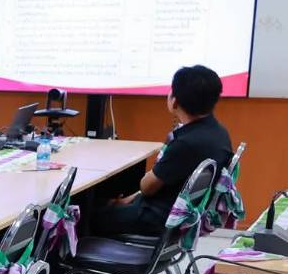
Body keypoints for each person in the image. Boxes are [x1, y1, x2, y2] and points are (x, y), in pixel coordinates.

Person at [93, 64, 233, 236]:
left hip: (159, 219)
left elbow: (147, 187)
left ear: (175, 100)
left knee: (86, 212)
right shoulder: (219, 133)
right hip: (179, 216)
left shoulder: (185, 144)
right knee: (109, 200)